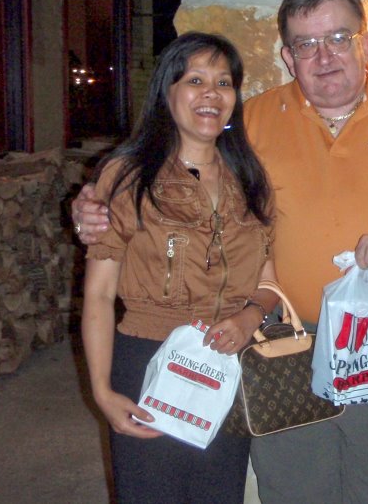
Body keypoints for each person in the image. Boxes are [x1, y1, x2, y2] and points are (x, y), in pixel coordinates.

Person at [75, 0, 368, 503]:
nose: (324, 56)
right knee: (292, 487)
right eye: (306, 44)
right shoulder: (253, 120)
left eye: (338, 37)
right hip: (279, 342)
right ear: (288, 57)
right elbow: (178, 157)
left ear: (367, 44)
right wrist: (92, 200)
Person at [81, 31, 280, 504]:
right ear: (167, 92)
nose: (212, 94)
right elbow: (99, 296)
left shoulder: (250, 178)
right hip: (147, 361)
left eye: (224, 83)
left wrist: (250, 316)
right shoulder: (128, 176)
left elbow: (269, 277)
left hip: (226, 366)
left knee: (218, 494)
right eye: (195, 80)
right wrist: (102, 391)